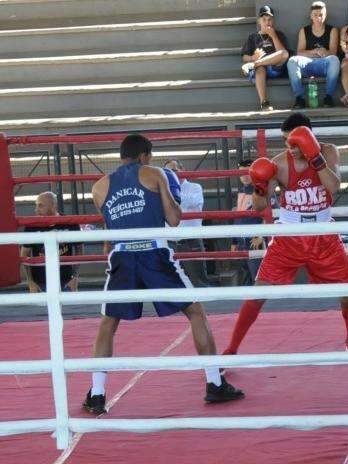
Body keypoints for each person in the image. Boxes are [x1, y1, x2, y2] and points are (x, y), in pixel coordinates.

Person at [83, 134, 243, 415]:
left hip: (121, 255)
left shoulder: (99, 187)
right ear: (145, 155)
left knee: (108, 323)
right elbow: (174, 219)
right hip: (154, 253)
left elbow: (110, 231)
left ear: (122, 156)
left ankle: (97, 394)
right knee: (196, 312)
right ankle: (214, 384)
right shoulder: (155, 173)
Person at [223, 113, 348, 356]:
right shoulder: (279, 164)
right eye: (287, 141)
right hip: (288, 237)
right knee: (258, 293)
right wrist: (258, 186)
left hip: (324, 235)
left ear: (310, 137)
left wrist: (315, 158)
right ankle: (231, 349)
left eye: (297, 141)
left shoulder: (328, 153)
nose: (292, 147)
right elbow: (258, 206)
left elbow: (333, 187)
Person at [21, 191, 82, 293]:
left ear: (53, 206)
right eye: (36, 206)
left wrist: (75, 277)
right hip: (40, 282)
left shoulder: (70, 223)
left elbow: (79, 250)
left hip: (65, 280)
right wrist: (30, 282)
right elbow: (24, 254)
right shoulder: (31, 225)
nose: (36, 210)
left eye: (41, 206)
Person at [163, 159, 210, 288]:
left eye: (174, 170)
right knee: (172, 281)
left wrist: (167, 194)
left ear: (182, 170)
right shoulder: (162, 189)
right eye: (167, 172)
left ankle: (204, 308)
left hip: (191, 241)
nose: (171, 174)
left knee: (198, 281)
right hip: (170, 242)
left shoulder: (195, 187)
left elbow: (190, 202)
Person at [287, 1, 340, 109]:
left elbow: (333, 52)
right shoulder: (304, 30)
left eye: (321, 15)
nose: (318, 18)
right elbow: (299, 52)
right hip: (307, 63)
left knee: (334, 60)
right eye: (315, 15)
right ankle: (299, 98)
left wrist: (325, 52)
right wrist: (314, 52)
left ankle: (328, 97)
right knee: (292, 60)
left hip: (324, 64)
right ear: (311, 16)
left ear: (325, 15)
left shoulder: (332, 30)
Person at [241, 5, 290, 111]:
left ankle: (255, 64)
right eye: (264, 19)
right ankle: (264, 103)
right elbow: (244, 57)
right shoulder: (253, 37)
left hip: (275, 67)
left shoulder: (279, 34)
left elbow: (282, 54)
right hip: (261, 70)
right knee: (260, 68)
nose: (267, 22)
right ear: (259, 21)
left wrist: (273, 36)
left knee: (284, 54)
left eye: (269, 19)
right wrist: (252, 57)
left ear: (273, 21)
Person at [231, 158, 266, 285]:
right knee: (247, 278)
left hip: (254, 241)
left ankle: (258, 304)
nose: (244, 176)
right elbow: (238, 216)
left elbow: (270, 215)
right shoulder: (241, 191)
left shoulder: (261, 189)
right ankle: (249, 304)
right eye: (241, 173)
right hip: (241, 241)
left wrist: (261, 237)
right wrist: (234, 240)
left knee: (257, 277)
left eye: (247, 172)